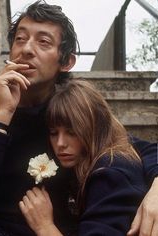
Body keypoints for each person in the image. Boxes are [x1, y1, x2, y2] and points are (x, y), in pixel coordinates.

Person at [0, 1, 158, 236]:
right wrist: (1, 116)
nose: (26, 49)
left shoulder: (69, 111)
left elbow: (134, 148)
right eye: (20, 39)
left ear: (66, 62)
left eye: (43, 42)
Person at [18, 78, 148, 235]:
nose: (60, 143)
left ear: (95, 128)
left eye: (72, 132)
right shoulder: (87, 163)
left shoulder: (110, 172)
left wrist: (44, 226)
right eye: (54, 133)